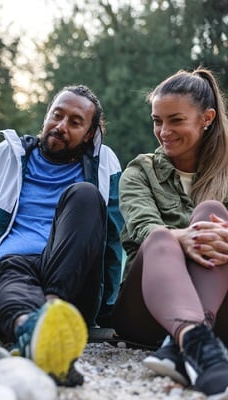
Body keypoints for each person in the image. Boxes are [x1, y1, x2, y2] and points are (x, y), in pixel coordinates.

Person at [0, 85, 123, 385]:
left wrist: (108, 312)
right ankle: (32, 331)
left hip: (69, 284)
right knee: (8, 265)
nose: (60, 127)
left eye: (75, 122)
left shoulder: (105, 164)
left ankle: (48, 313)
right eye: (56, 115)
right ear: (46, 116)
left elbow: (112, 240)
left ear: (89, 134)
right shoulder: (6, 156)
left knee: (86, 195)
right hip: (7, 276)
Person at [112, 67, 228, 398]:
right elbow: (143, 228)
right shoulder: (140, 171)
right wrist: (184, 238)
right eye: (157, 120)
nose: (164, 131)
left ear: (206, 118)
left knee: (212, 213)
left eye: (175, 120)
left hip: (220, 312)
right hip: (145, 311)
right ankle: (198, 344)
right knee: (161, 237)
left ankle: (189, 343)